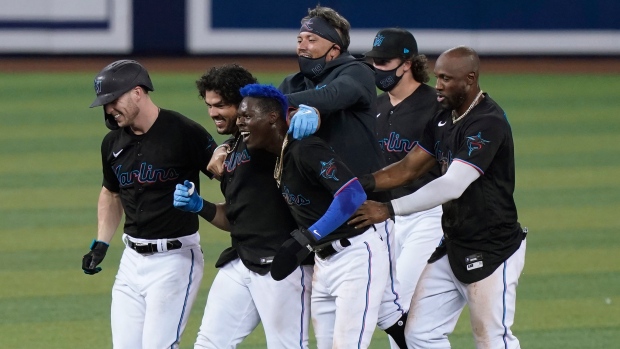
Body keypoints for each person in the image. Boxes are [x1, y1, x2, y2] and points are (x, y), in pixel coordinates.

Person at [349, 46, 528, 349]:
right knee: (418, 333)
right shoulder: (445, 117)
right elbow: (410, 166)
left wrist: (390, 208)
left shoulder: (487, 122)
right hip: (454, 244)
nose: (438, 86)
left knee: (492, 339)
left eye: (446, 79)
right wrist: (359, 185)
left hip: (492, 247)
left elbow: (452, 185)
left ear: (470, 79)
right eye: (438, 77)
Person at [277, 6, 408, 345]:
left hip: (363, 228)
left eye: (312, 39)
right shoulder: (293, 83)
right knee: (388, 316)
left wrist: (285, 103)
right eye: (299, 38)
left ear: (334, 48)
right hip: (324, 243)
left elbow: (333, 96)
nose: (302, 45)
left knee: (386, 321)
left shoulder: (357, 72)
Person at [229, 83, 389, 349]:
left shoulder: (305, 149)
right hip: (323, 265)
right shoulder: (279, 154)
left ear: (272, 117)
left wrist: (308, 235)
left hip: (355, 257)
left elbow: (352, 194)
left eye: (246, 116)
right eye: (239, 118)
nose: (240, 123)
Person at [173, 64, 314, 349]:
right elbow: (235, 217)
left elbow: (282, 122)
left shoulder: (270, 141)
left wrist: (305, 111)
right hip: (241, 260)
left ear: (246, 105)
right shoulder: (234, 148)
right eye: (210, 105)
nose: (213, 112)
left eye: (222, 105)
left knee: (286, 346)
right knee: (209, 343)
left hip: (281, 263)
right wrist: (200, 206)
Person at [81, 59, 217, 349]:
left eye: (113, 100)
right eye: (105, 104)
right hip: (131, 262)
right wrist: (102, 243)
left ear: (138, 92)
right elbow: (111, 192)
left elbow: (227, 171)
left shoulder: (184, 132)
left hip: (175, 260)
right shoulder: (112, 143)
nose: (108, 109)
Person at [364, 27, 444, 338]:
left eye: (385, 62)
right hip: (385, 219)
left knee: (399, 305)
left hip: (428, 215)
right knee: (396, 313)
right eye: (375, 62)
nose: (377, 68)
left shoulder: (436, 105)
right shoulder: (375, 108)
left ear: (407, 63)